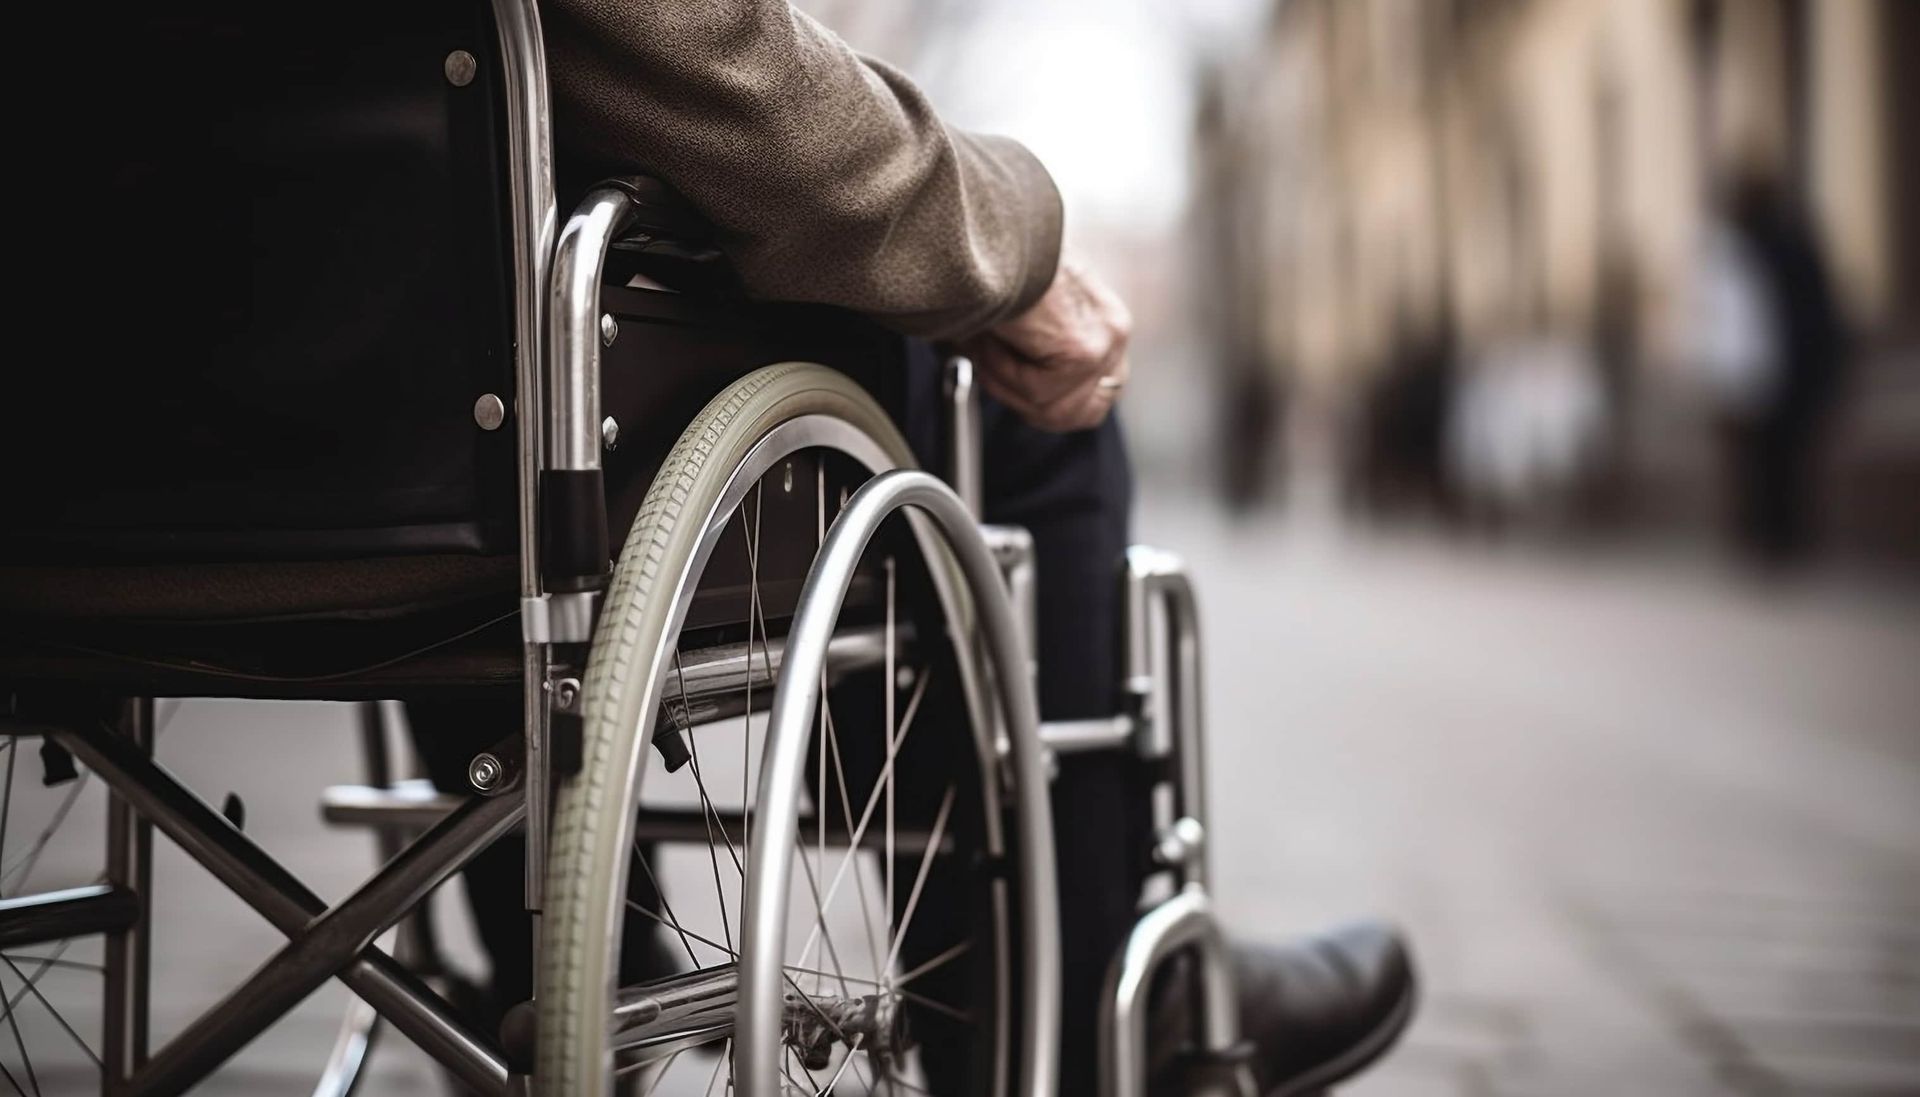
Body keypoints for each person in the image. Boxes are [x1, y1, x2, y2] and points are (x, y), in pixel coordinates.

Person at [411, 3, 1416, 1094]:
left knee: (446, 388)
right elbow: (701, 55)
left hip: (271, 482)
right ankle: (1095, 1019)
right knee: (1024, 400)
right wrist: (1009, 233)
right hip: (529, 410)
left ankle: (553, 963)